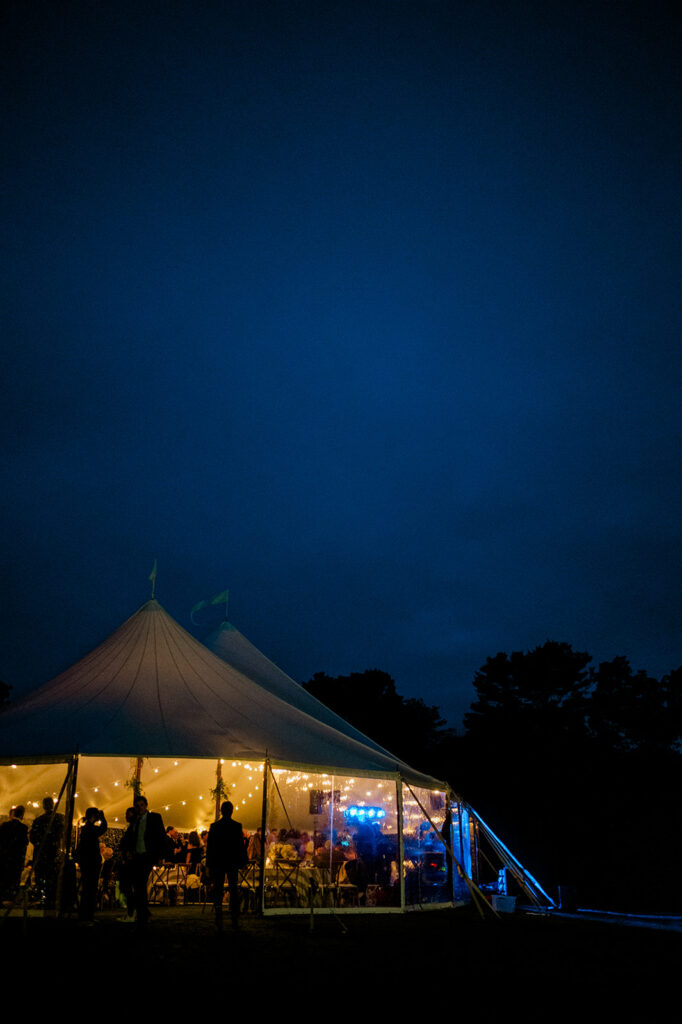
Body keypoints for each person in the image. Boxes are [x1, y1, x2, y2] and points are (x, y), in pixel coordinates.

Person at [128, 795, 166, 931]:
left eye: (142, 805)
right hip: (137, 855)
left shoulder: (154, 817)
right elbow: (131, 836)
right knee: (138, 884)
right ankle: (143, 911)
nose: (140, 808)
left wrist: (161, 856)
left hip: (147, 855)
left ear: (146, 805)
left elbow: (161, 835)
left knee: (141, 882)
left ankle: (142, 914)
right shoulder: (134, 821)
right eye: (137, 806)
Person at [206, 801, 246, 931]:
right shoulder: (237, 826)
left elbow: (210, 848)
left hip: (218, 861)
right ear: (232, 811)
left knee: (218, 887)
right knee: (233, 888)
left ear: (221, 811)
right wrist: (243, 862)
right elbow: (240, 846)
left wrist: (208, 865)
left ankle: (218, 913)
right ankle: (234, 916)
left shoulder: (215, 826)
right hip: (232, 861)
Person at [29, 797, 64, 906]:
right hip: (52, 854)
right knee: (52, 878)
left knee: (40, 878)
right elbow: (60, 835)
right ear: (53, 805)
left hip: (41, 854)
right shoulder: (59, 819)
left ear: (44, 806)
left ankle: (41, 899)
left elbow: (33, 838)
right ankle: (50, 900)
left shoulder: (39, 820)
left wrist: (41, 844)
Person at [76, 807, 107, 924]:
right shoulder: (90, 828)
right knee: (90, 890)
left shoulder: (86, 829)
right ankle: (87, 916)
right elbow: (104, 828)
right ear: (93, 816)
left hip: (87, 862)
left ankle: (86, 916)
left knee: (87, 890)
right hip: (91, 862)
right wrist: (103, 818)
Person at [0, 805, 29, 903]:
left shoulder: (4, 825)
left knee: (4, 877)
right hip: (16, 859)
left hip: (5, 857)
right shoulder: (23, 828)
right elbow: (24, 843)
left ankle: (3, 897)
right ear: (22, 815)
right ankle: (12, 897)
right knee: (15, 878)